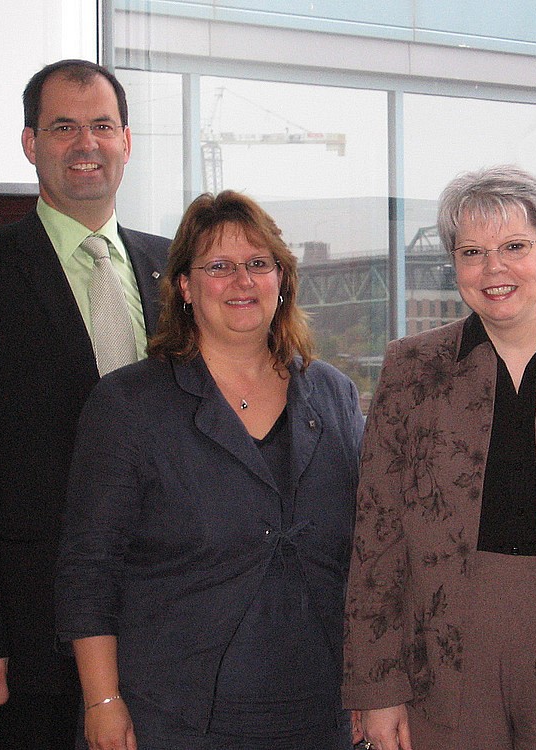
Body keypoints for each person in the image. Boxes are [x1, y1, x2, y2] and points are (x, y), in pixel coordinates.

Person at [54, 191, 364, 750]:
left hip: (320, 712)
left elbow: (369, 552)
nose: (242, 281)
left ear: (282, 279)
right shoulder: (128, 404)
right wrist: (102, 701)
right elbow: (88, 570)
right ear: (184, 287)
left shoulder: (333, 395)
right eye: (218, 267)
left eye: (258, 263)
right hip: (171, 716)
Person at [342, 166, 536, 750]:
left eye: (515, 247)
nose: (493, 269)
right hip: (442, 642)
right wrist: (377, 689)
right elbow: (377, 534)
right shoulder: (412, 368)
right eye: (472, 252)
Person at [0, 59, 169, 749]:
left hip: (166, 621)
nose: (87, 144)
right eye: (64, 127)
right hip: (32, 637)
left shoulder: (175, 270)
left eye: (102, 126)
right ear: (31, 143)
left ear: (127, 141)